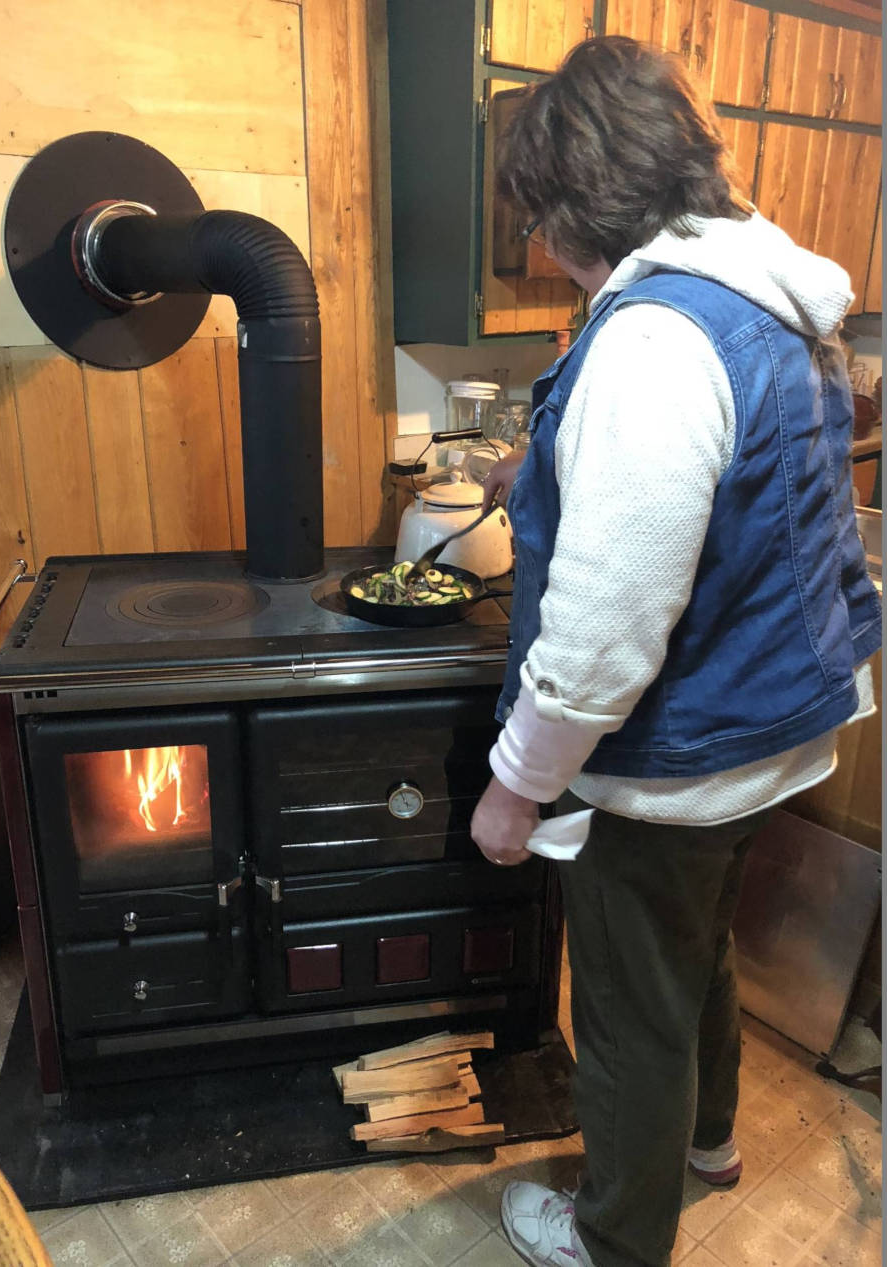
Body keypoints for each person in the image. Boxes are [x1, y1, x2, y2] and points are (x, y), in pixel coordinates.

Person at [468, 35, 881, 1267]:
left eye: (540, 220)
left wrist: (514, 783)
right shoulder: (766, 303)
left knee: (625, 1006)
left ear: (580, 197)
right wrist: (537, 466)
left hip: (675, 756)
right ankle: (706, 1142)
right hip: (779, 728)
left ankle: (614, 1241)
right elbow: (718, 498)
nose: (540, 249)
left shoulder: (651, 343)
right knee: (688, 947)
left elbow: (600, 639)